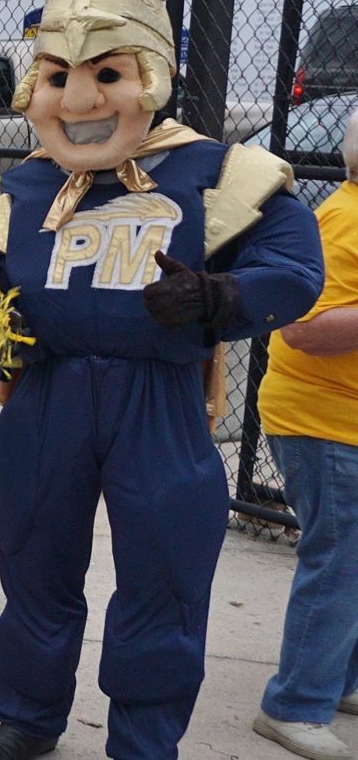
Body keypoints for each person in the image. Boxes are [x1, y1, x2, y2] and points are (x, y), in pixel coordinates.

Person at [0, 0, 324, 760]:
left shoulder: (215, 171)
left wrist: (222, 298)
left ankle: (145, 737)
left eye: (107, 73)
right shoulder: (21, 185)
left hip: (160, 399)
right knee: (36, 564)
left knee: (164, 574)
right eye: (59, 76)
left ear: (149, 75)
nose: (79, 100)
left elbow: (295, 266)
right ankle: (28, 713)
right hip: (46, 393)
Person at [255, 107, 358, 760]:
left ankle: (337, 679)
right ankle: (294, 704)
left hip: (338, 420)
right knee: (340, 559)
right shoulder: (346, 221)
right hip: (323, 423)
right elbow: (302, 326)